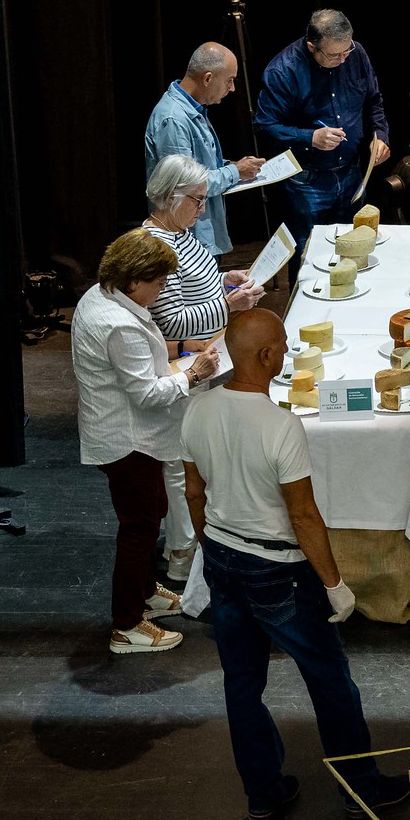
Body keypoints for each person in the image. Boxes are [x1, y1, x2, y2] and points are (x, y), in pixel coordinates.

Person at [180, 309, 390, 820]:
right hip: (279, 570)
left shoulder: (197, 411)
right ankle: (359, 789)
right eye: (281, 345)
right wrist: (335, 584)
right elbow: (302, 514)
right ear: (268, 356)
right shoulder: (282, 426)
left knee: (241, 683)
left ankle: (263, 793)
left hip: (223, 558)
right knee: (328, 679)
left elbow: (193, 492)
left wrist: (213, 547)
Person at [70, 228, 220, 655]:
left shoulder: (104, 297)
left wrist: (184, 351)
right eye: (157, 282)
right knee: (138, 529)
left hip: (135, 434)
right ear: (133, 279)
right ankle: (126, 625)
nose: (162, 289)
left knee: (153, 509)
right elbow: (148, 393)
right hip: (127, 440)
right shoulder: (119, 324)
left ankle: (144, 596)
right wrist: (195, 373)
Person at [144, 154, 265, 581]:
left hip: (210, 357)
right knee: (183, 466)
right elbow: (172, 321)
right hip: (186, 369)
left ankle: (198, 547)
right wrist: (227, 304)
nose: (202, 208)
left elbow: (196, 287)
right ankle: (182, 558)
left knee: (200, 463)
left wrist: (225, 280)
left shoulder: (179, 231)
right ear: (170, 198)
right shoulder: (156, 247)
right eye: (197, 200)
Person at [252, 10, 392, 238]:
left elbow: (373, 100)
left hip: (351, 172)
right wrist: (310, 138)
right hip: (306, 179)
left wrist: (381, 135)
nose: (343, 59)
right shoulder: (283, 70)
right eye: (334, 55)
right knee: (308, 252)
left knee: (353, 245)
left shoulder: (357, 54)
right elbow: (265, 126)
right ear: (311, 47)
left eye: (347, 50)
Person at [142, 42, 263, 256]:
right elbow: (185, 186)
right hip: (187, 240)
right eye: (230, 80)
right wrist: (235, 173)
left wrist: (232, 166)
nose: (232, 88)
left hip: (200, 235)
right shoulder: (173, 118)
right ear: (208, 78)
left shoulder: (192, 108)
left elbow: (200, 166)